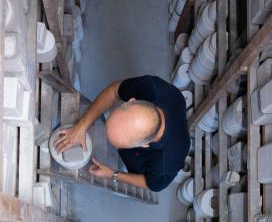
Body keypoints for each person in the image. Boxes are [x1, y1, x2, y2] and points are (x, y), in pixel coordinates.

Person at [55, 75, 190, 192]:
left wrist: (113, 174)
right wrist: (82, 125)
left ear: (144, 145)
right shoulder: (150, 87)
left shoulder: (165, 163)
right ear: (132, 101)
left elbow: (151, 184)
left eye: (120, 143)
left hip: (145, 163)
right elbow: (115, 90)